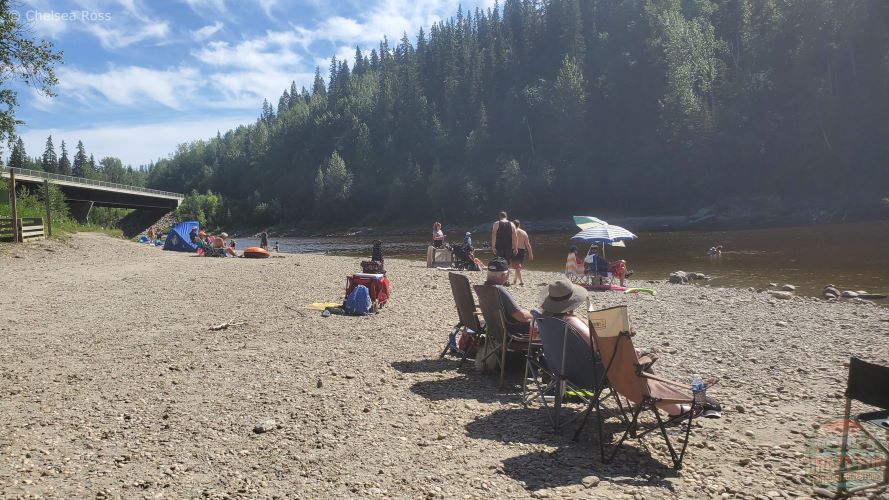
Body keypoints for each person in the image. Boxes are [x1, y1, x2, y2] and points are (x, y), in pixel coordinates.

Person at [539, 278, 721, 418]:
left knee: (640, 359)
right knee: (641, 362)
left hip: (565, 373)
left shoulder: (545, 321)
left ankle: (671, 399)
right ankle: (675, 408)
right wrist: (630, 351)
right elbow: (600, 349)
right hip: (592, 376)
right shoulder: (571, 323)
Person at [483, 257, 533, 334]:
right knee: (540, 323)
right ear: (503, 275)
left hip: (495, 328)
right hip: (510, 330)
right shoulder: (498, 290)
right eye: (508, 274)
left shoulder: (484, 288)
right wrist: (537, 315)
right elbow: (521, 316)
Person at [511, 220, 534, 286]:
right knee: (518, 266)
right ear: (519, 225)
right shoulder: (524, 232)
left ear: (513, 224)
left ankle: (521, 281)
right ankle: (515, 279)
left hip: (514, 250)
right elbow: (528, 244)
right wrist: (530, 253)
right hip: (522, 250)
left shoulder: (512, 232)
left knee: (517, 266)